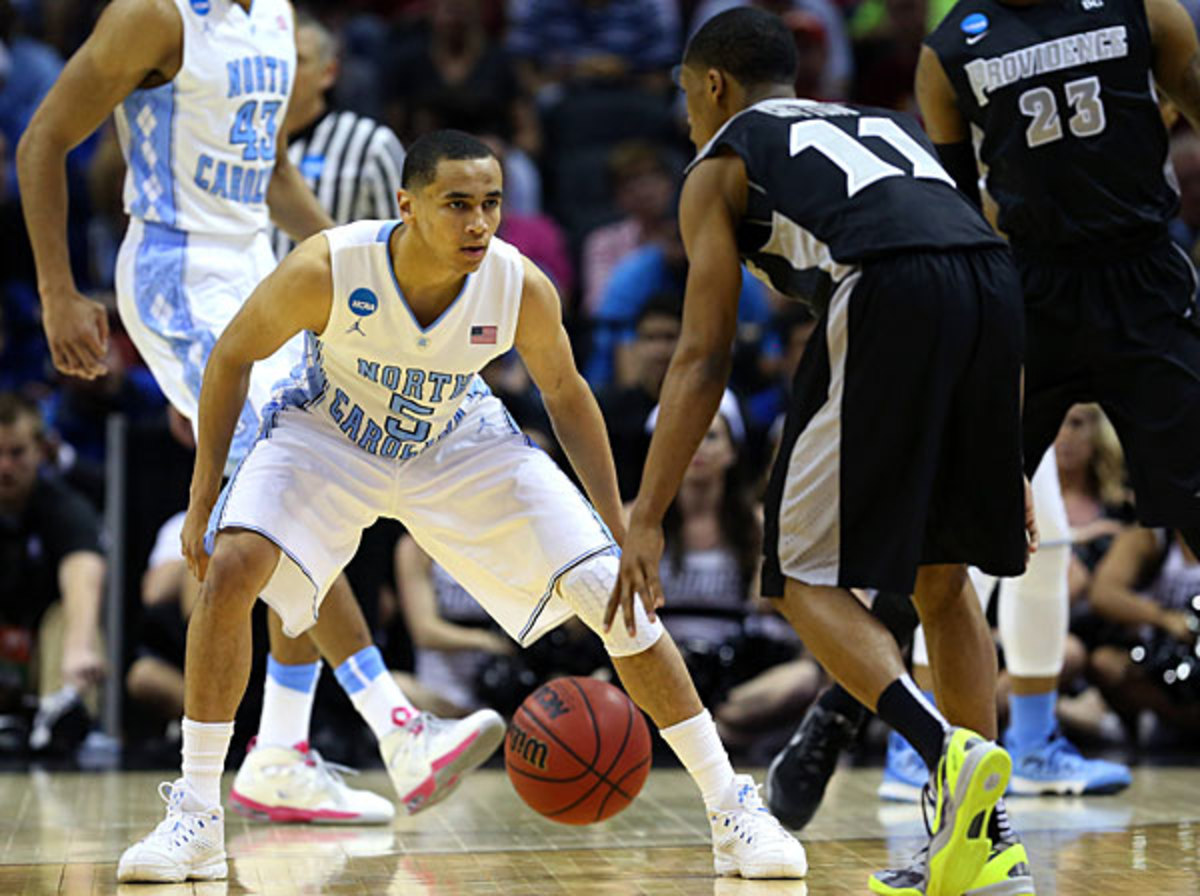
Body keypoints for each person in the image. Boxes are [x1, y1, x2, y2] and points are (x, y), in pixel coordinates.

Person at [116, 130, 807, 884]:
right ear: (408, 207)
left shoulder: (518, 283)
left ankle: (733, 808)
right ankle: (194, 812)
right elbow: (231, 359)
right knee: (235, 565)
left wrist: (623, 526)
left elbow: (569, 395)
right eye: (457, 205)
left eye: (491, 205)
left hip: (456, 437)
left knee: (614, 597)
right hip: (328, 433)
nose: (479, 224)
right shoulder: (330, 265)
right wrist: (204, 496)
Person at [17, 0, 500, 830]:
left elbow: (274, 175)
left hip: (257, 266)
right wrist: (59, 291)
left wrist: (371, 283)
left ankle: (280, 753)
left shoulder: (274, 17)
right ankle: (397, 725)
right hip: (177, 269)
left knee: (309, 491)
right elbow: (42, 142)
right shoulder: (154, 17)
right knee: (287, 491)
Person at [609, 9, 1035, 896]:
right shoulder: (878, 123)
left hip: (884, 286)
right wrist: (1007, 455)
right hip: (993, 287)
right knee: (943, 576)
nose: (687, 114)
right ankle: (986, 845)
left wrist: (643, 515)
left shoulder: (722, 160)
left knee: (799, 576)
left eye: (688, 94)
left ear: (714, 85)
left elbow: (701, 356)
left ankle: (944, 752)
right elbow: (973, 246)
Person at [769, 0, 1200, 844]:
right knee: (943, 539)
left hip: (1144, 280)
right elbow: (956, 207)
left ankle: (951, 733)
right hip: (1026, 292)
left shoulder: (1145, 8)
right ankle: (851, 716)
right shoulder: (947, 50)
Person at [0, 392, 105, 750]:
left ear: (40, 451)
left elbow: (83, 568)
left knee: (69, 617)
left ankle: (62, 708)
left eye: (16, 453)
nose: (5, 467)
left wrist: (79, 649)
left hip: (44, 658)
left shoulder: (65, 507)